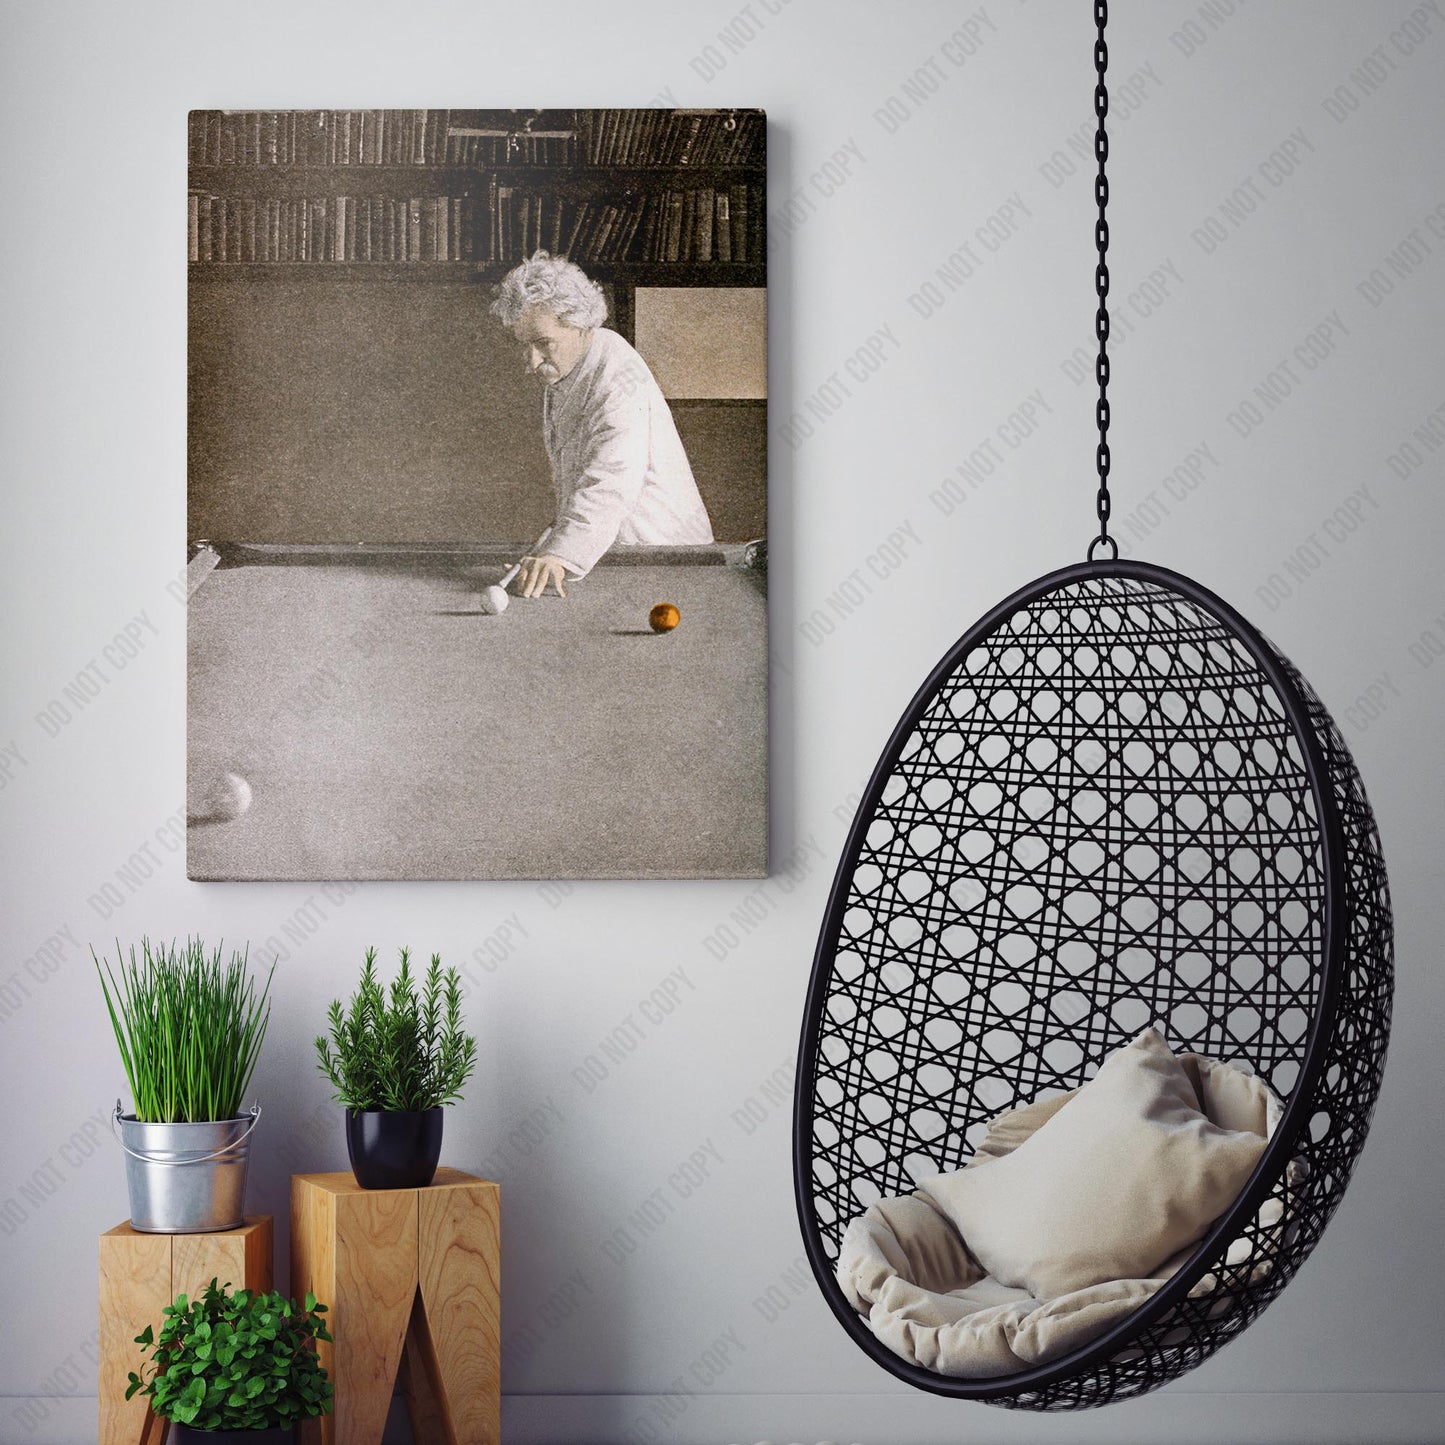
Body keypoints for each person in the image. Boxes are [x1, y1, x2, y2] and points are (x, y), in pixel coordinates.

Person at [489, 251, 714, 599]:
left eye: (543, 343)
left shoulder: (618, 373)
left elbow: (611, 477)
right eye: (525, 345)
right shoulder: (566, 369)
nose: (531, 361)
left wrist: (559, 554)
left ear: (580, 326)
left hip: (667, 555)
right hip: (617, 551)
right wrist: (551, 548)